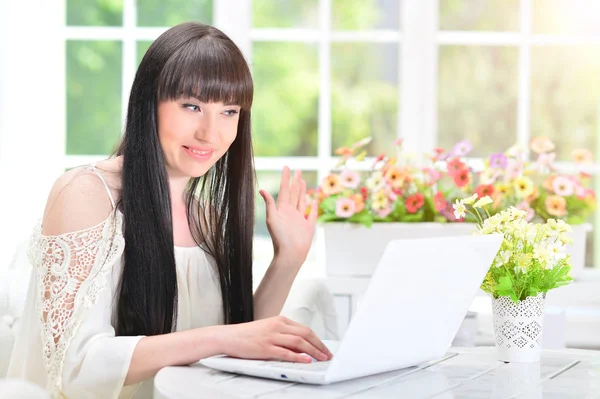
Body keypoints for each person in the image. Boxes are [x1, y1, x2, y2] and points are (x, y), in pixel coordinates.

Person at [7, 22, 332, 398]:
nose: (211, 134)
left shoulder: (206, 218)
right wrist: (221, 338)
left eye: (229, 112)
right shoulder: (86, 194)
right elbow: (72, 365)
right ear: (149, 102)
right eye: (192, 106)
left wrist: (288, 259)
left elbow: (237, 346)